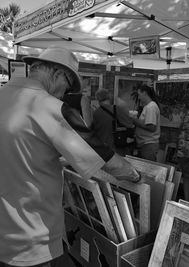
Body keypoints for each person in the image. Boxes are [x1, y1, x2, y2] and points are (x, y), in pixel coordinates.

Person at [0, 46, 140, 266]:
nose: (66, 92)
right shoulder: (52, 108)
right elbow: (107, 161)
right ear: (57, 74)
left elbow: (21, 152)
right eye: (68, 84)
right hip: (32, 242)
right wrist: (137, 176)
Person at [92, 88, 134, 155]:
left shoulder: (95, 113)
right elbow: (130, 124)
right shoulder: (116, 110)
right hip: (117, 149)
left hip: (102, 149)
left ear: (97, 99)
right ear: (109, 97)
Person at [129, 84, 160, 161]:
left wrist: (134, 120)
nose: (138, 98)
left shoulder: (151, 107)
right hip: (145, 144)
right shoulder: (147, 107)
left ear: (145, 93)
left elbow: (151, 127)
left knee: (148, 170)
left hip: (149, 145)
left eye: (139, 95)